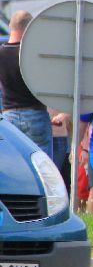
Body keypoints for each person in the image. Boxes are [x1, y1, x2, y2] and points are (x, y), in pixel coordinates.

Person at [0, 10, 56, 157]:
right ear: (29, 28)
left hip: (8, 117)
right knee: (42, 170)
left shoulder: (1, 53)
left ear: (11, 26)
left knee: (16, 170)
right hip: (35, 116)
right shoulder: (33, 54)